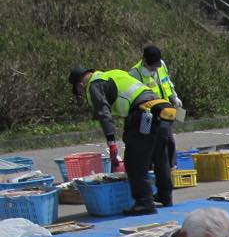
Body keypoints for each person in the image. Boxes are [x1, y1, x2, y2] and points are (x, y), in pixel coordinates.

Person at [69, 65, 176, 215]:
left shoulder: (94, 84)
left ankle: (144, 203)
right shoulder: (114, 73)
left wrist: (111, 141)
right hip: (162, 111)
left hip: (144, 115)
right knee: (160, 156)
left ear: (80, 85)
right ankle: (165, 196)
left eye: (79, 91)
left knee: (134, 161)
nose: (82, 93)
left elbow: (103, 113)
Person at [130, 44, 184, 177]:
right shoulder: (135, 73)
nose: (155, 68)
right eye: (152, 66)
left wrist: (174, 97)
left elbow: (167, 82)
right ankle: (148, 169)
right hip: (147, 113)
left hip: (164, 109)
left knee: (168, 138)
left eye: (156, 65)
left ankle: (172, 168)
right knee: (148, 140)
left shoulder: (161, 65)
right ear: (144, 61)